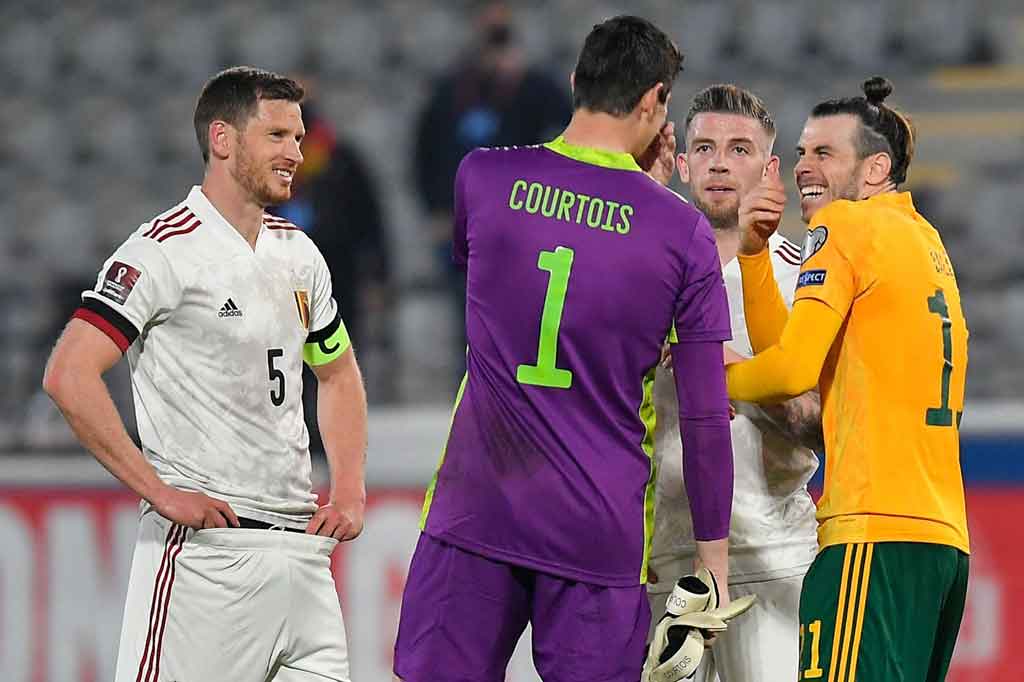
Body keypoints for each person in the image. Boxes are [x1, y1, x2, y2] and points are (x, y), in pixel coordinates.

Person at [394, 16, 734, 682]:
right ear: (654, 102)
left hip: (478, 504)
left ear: (577, 82)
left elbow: (501, 262)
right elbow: (702, 417)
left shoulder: (483, 178)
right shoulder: (681, 234)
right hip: (595, 526)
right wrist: (712, 564)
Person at [42, 67, 367, 682]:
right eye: (277, 135)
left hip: (303, 558)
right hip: (207, 560)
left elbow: (339, 374)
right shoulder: (163, 250)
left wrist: (349, 487)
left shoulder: (300, 253)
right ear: (223, 139)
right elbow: (69, 374)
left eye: (298, 137)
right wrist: (158, 492)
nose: (296, 153)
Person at [726, 77, 970, 681]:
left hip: (871, 532)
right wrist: (757, 258)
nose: (803, 166)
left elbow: (788, 372)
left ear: (874, 169)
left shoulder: (847, 229)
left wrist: (713, 370)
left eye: (824, 153)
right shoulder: (922, 240)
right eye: (803, 151)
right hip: (941, 544)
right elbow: (791, 351)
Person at [646, 84, 822, 682]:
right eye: (706, 148)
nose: (720, 162)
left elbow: (826, 427)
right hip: (663, 562)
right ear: (685, 162)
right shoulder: (644, 274)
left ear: (770, 169)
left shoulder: (808, 282)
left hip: (772, 559)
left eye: (740, 149)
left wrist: (728, 375)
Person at [413, 1, 571, 384]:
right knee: (466, 309)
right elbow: (423, 152)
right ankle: (469, 386)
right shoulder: (451, 90)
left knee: (520, 307)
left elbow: (570, 130)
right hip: (464, 221)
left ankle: (514, 387)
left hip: (523, 220)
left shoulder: (535, 87)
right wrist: (434, 209)